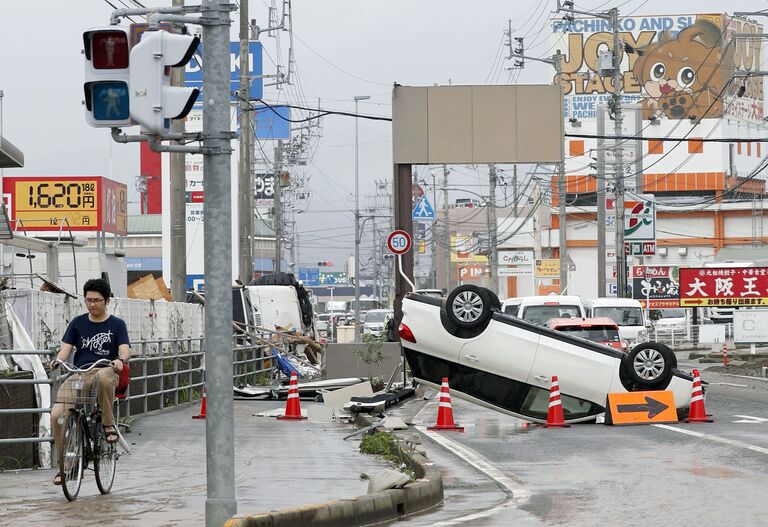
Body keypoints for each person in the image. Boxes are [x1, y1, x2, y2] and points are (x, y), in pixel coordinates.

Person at [51, 278, 131, 486]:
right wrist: (58, 361)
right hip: (80, 373)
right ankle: (65, 466)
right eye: (88, 300)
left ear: (107, 301)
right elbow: (66, 349)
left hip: (106, 369)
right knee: (57, 416)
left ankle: (107, 423)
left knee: (103, 377)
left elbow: (124, 348)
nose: (92, 304)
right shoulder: (77, 323)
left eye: (97, 300)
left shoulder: (116, 324)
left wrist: (120, 360)